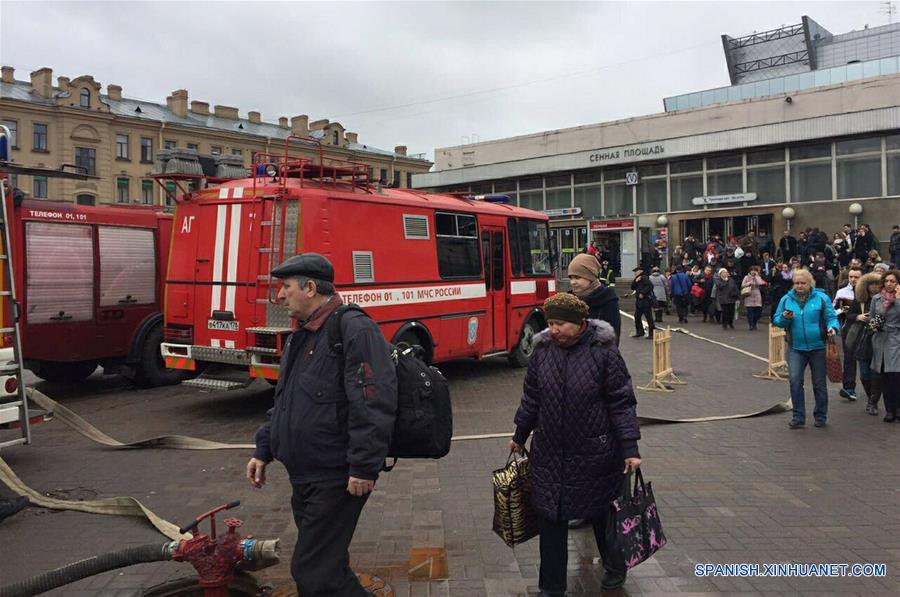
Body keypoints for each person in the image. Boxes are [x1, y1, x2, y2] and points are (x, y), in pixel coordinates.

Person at [247, 253, 397, 597]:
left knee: (313, 572)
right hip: (305, 476)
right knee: (328, 568)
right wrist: (264, 448)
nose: (280, 295)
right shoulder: (301, 335)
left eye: (286, 287)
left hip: (336, 477)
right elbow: (286, 401)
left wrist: (363, 466)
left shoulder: (354, 328)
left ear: (311, 288)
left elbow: (373, 401)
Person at [510, 293, 642, 594]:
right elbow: (531, 397)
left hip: (594, 452)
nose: (553, 329)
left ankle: (615, 565)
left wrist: (630, 449)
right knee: (550, 518)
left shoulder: (604, 352)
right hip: (549, 452)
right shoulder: (543, 351)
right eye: (550, 323)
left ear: (579, 323)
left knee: (600, 512)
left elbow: (621, 403)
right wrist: (519, 435)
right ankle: (551, 587)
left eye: (560, 323)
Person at [773, 268, 840, 429]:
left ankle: (821, 416)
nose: (799, 286)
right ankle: (798, 417)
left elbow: (831, 317)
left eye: (803, 283)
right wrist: (784, 318)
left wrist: (833, 328)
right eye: (796, 283)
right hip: (796, 348)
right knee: (795, 381)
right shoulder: (786, 299)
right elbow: (776, 320)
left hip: (818, 347)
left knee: (819, 384)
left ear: (810, 283)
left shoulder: (822, 298)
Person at [848, 273, 884, 415]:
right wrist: (858, 316)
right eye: (871, 284)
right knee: (864, 374)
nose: (874, 287)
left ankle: (873, 402)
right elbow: (849, 315)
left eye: (877, 284)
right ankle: (871, 397)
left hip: (879, 338)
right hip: (863, 340)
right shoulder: (860, 301)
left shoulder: (884, 300)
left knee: (876, 373)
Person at [567, 253, 621, 345]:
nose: (573, 282)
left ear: (590, 277)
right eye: (571, 278)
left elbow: (612, 339)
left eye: (577, 277)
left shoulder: (607, 300)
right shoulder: (568, 300)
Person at [868, 270, 900, 422]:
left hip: (896, 339)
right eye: (886, 281)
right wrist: (874, 324)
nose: (889, 284)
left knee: (896, 376)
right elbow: (872, 317)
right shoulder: (877, 298)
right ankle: (889, 410)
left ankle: (897, 408)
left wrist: (898, 299)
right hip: (880, 340)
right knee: (885, 376)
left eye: (892, 281)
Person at [834, 267, 863, 401]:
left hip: (865, 329)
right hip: (848, 328)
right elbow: (833, 311)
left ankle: (873, 388)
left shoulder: (867, 291)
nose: (853, 279)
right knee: (849, 358)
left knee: (866, 359)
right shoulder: (841, 292)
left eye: (856, 277)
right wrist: (842, 310)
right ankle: (849, 388)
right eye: (851, 277)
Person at [630, 266, 655, 338]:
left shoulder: (644, 277)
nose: (635, 273)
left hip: (645, 301)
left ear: (640, 271)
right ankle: (640, 332)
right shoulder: (637, 278)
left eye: (636, 271)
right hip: (639, 301)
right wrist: (635, 281)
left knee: (648, 317)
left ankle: (651, 333)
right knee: (637, 316)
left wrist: (643, 293)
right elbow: (632, 287)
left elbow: (650, 286)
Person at [741, 266, 765, 330]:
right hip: (749, 294)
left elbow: (760, 283)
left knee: (757, 311)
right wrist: (749, 283)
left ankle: (754, 323)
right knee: (750, 311)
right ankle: (751, 325)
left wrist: (756, 277)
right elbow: (742, 285)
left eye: (755, 270)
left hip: (757, 295)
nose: (753, 271)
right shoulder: (746, 277)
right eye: (752, 270)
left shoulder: (758, 277)